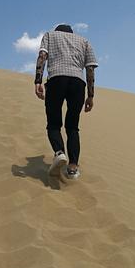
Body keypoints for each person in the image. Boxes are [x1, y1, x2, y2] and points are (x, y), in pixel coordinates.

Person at [34, 24, 98, 180]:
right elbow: (90, 69)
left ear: (58, 32)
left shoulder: (50, 35)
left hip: (56, 80)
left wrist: (37, 81)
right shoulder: (84, 41)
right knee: (72, 127)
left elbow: (42, 56)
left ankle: (59, 152)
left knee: (54, 124)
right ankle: (73, 168)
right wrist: (90, 95)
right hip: (77, 83)